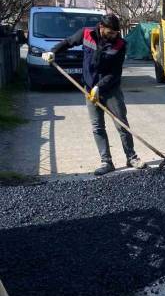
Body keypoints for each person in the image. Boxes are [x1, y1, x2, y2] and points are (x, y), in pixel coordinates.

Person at [41, 14, 145, 176]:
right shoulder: (86, 33)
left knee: (121, 124)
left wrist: (99, 87)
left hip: (110, 89)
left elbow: (115, 73)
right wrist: (53, 51)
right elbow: (68, 42)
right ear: (101, 27)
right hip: (88, 89)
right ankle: (106, 162)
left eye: (115, 33)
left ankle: (131, 157)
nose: (113, 36)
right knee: (97, 126)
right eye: (110, 32)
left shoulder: (120, 44)